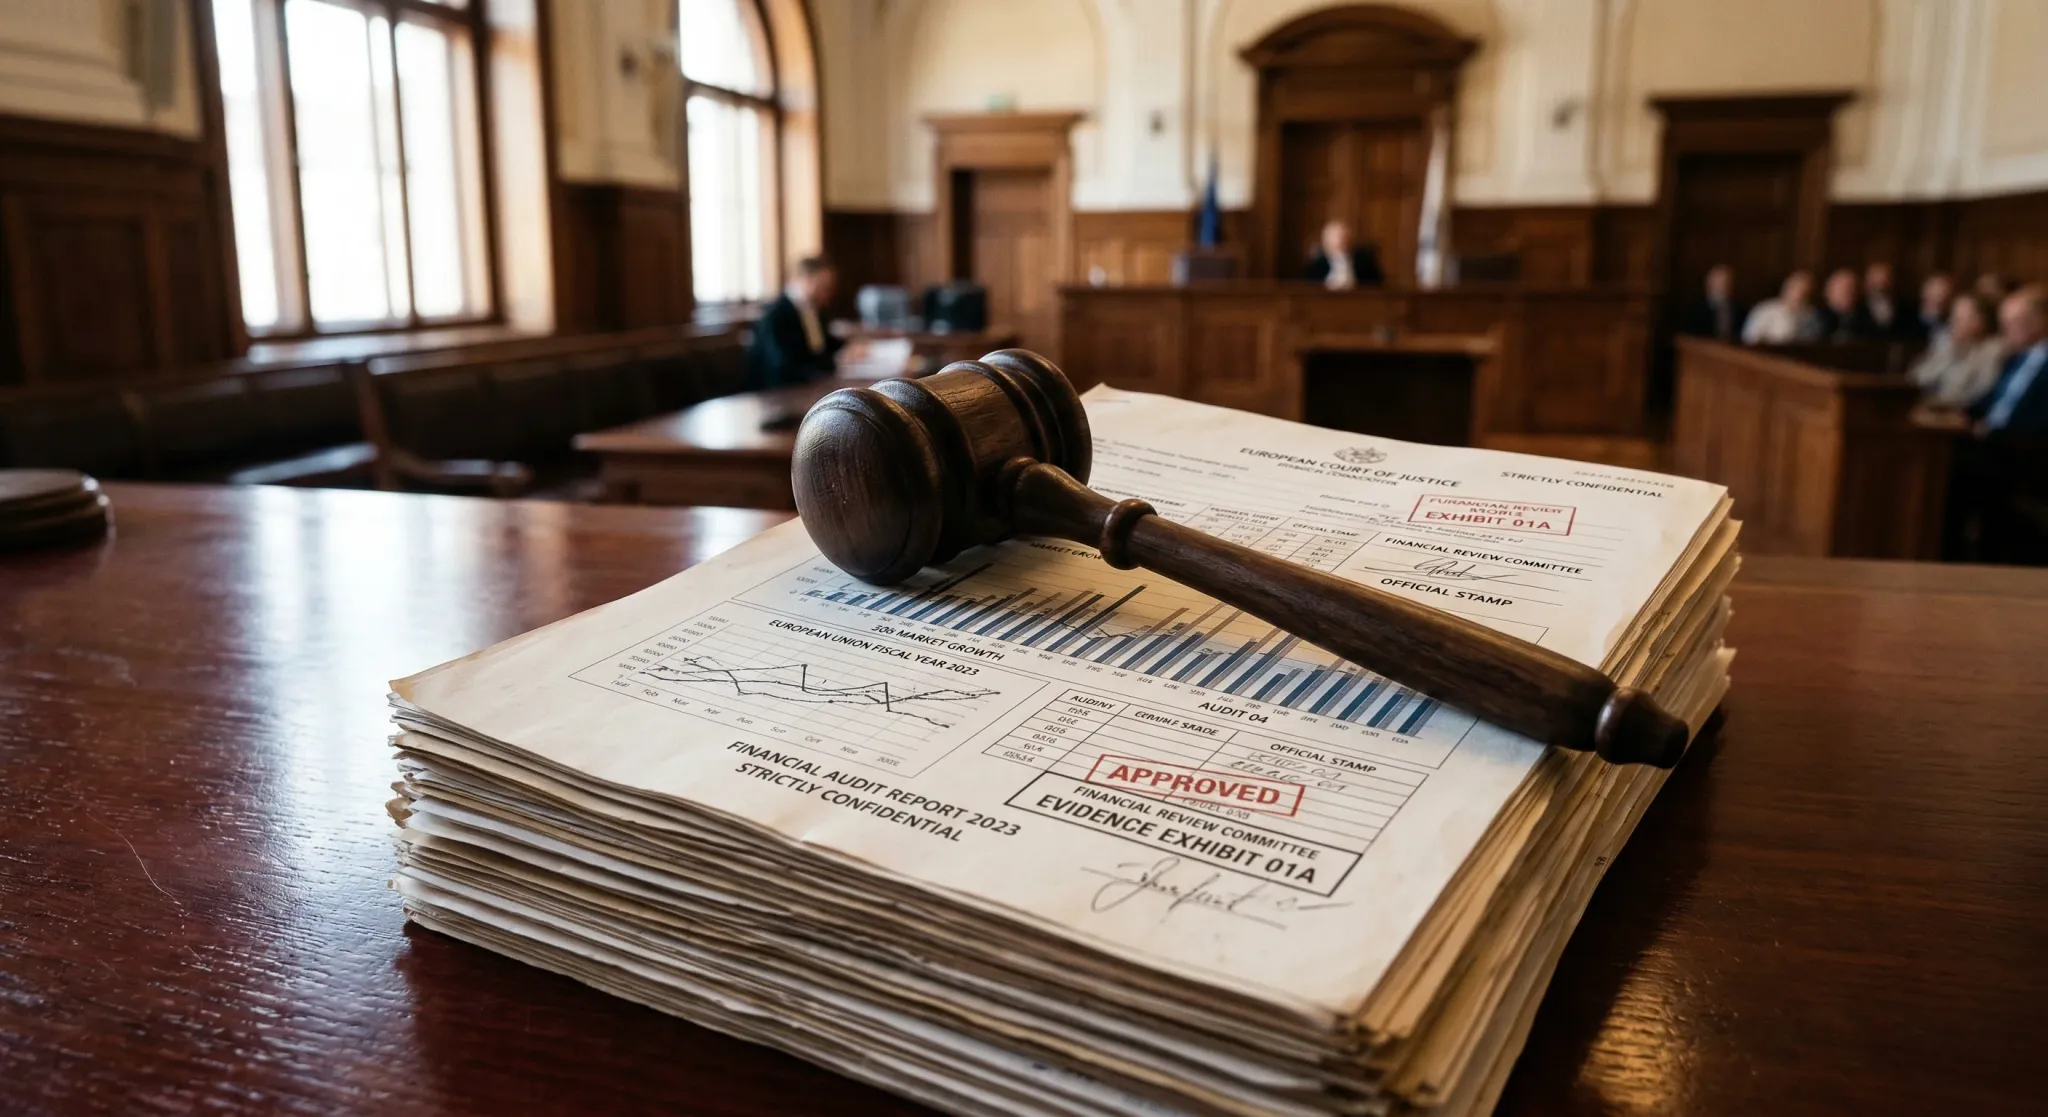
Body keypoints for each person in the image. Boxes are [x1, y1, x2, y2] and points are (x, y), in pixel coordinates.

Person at [747, 255, 844, 390]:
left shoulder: (814, 309)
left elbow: (821, 345)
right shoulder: (776, 315)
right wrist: (832, 362)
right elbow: (784, 365)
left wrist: (845, 350)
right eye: (821, 287)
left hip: (809, 384)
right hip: (779, 391)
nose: (826, 294)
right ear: (803, 279)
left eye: (828, 288)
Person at [1969, 286, 2048, 436]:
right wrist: (1962, 413)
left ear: (2038, 322)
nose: (2004, 332)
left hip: (2020, 446)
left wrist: (1997, 432)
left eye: (2011, 324)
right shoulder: (2017, 358)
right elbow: (1992, 398)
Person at [1908, 293, 2005, 409]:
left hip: (1954, 415)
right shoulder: (1945, 343)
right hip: (1926, 408)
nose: (1952, 323)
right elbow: (1915, 377)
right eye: (1952, 317)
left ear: (1979, 322)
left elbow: (1977, 395)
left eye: (1959, 318)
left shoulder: (1994, 351)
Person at [1741, 271, 1823, 344]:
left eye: (1805, 293)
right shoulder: (1765, 310)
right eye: (1796, 290)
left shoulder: (1811, 315)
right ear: (1786, 289)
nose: (1799, 296)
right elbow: (1750, 339)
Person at [1304, 220, 1385, 290]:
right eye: (1335, 239)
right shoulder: (1316, 266)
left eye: (1344, 239)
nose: (1340, 242)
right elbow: (1308, 288)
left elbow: (1378, 285)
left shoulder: (1364, 262)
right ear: (1325, 243)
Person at [1681, 264, 1745, 341]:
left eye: (1727, 283)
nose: (1723, 287)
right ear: (1709, 284)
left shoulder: (1739, 310)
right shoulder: (1696, 309)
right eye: (1719, 283)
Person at [1815, 267, 1877, 340]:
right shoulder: (1817, 316)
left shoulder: (1865, 316)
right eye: (1842, 289)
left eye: (1852, 289)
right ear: (1829, 292)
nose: (1848, 293)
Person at [1862, 262, 1902, 337]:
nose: (1880, 283)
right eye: (1875, 280)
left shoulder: (1903, 306)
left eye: (1884, 280)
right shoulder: (1859, 305)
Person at [1914, 272, 1955, 343]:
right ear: (1924, 290)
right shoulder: (1905, 316)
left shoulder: (1947, 326)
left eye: (1943, 290)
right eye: (1934, 288)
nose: (1939, 294)